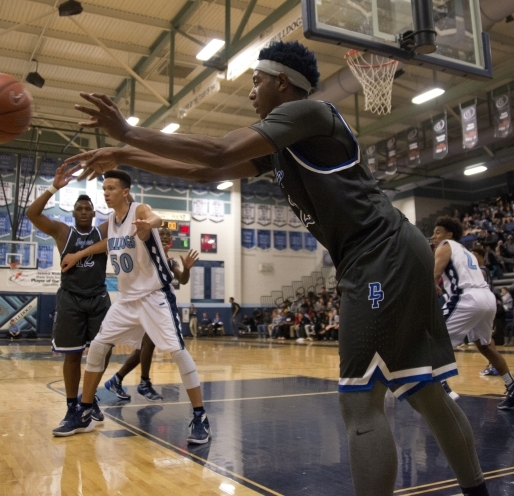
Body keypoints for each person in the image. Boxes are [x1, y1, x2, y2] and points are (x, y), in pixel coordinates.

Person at [64, 40, 488, 495]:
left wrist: (127, 134)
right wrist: (128, 157)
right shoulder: (287, 140)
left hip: (379, 254)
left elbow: (214, 153)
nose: (250, 93)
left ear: (281, 82)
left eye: (256, 81)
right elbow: (207, 173)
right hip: (389, 251)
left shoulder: (309, 113)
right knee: (425, 392)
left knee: (362, 402)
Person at [54, 170, 211, 444]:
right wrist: (78, 254)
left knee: (177, 351)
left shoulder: (138, 209)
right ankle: (85, 411)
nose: (106, 192)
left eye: (111, 188)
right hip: (127, 300)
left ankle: (200, 417)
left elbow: (155, 217)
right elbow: (107, 243)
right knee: (99, 344)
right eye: (104, 189)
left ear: (125, 191)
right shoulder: (112, 221)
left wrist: (147, 225)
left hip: (154, 296)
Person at [27, 164, 111, 431]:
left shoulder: (104, 231)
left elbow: (130, 210)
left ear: (94, 213)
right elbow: (32, 213)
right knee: (72, 356)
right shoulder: (63, 232)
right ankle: (72, 407)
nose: (84, 212)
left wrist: (111, 178)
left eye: (88, 209)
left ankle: (89, 395)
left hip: (98, 299)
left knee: (103, 351)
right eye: (79, 209)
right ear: (73, 213)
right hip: (71, 299)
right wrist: (54, 187)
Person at [103, 226, 199, 402]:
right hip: (142, 304)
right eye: (160, 234)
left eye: (167, 235)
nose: (164, 236)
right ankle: (143, 383)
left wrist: (187, 269)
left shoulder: (171, 262)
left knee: (145, 346)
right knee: (147, 344)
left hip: (159, 307)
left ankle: (117, 380)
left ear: (170, 242)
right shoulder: (145, 257)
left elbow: (183, 280)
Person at [432, 216, 514, 410]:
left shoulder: (445, 245)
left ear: (449, 234)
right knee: (485, 347)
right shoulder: (466, 252)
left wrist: (431, 283)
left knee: (433, 336)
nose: (434, 236)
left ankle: (443, 387)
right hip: (487, 298)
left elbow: (434, 274)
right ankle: (512, 386)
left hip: (467, 298)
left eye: (437, 232)